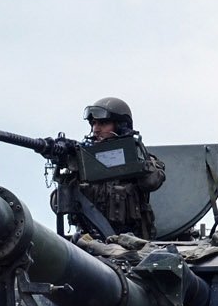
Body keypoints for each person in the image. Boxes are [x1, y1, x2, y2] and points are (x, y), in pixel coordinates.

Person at [55, 97, 166, 238]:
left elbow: (151, 181)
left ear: (120, 126)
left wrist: (132, 159)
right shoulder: (83, 163)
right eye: (94, 124)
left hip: (132, 245)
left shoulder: (140, 157)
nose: (96, 129)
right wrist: (68, 162)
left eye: (103, 123)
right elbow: (56, 204)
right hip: (89, 245)